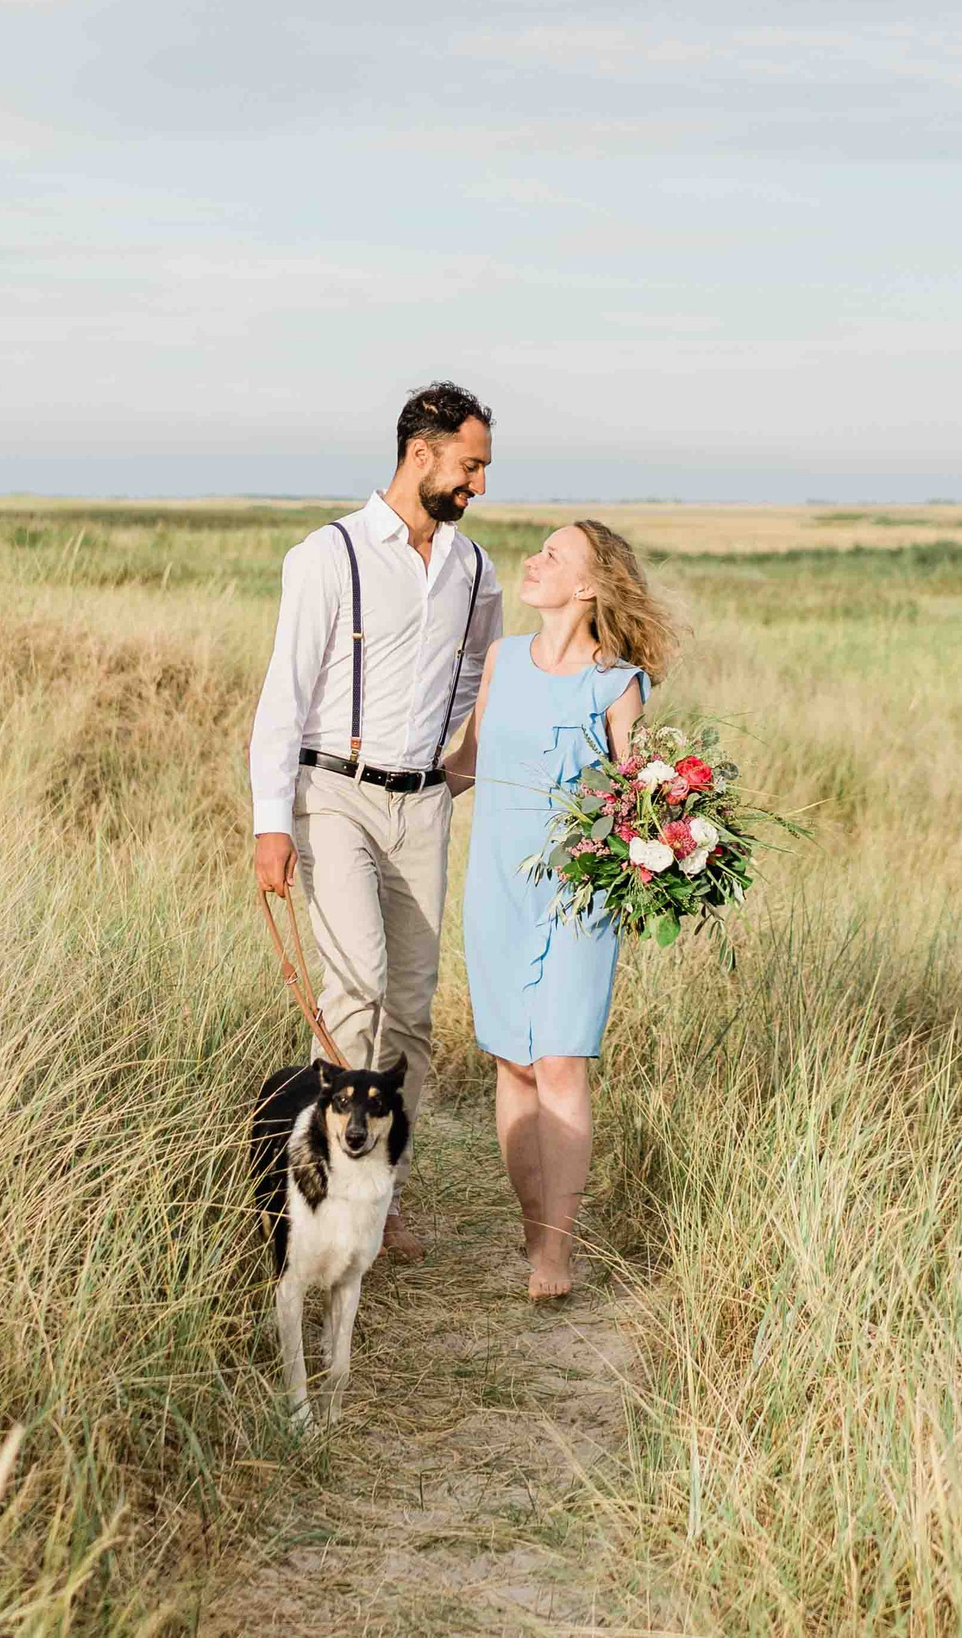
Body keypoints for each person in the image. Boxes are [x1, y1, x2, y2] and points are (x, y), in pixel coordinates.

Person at [249, 382, 503, 1263]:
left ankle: (382, 1188)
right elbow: (285, 690)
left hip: (424, 804)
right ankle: (327, 1200)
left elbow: (475, 678)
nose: (477, 485)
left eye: (483, 469)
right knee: (350, 995)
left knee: (411, 1013)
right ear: (420, 453)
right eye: (469, 465)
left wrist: (449, 772)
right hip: (336, 796)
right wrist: (269, 821)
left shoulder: (476, 570)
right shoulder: (330, 554)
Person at [443, 520, 679, 1300]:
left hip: (580, 895)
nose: (534, 561)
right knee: (512, 1059)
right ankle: (534, 1219)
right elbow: (468, 763)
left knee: (561, 1060)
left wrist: (674, 849)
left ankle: (557, 1253)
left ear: (588, 586)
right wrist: (382, 800)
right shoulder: (502, 659)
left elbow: (642, 792)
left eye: (555, 555)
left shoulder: (618, 682)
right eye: (539, 549)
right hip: (498, 887)